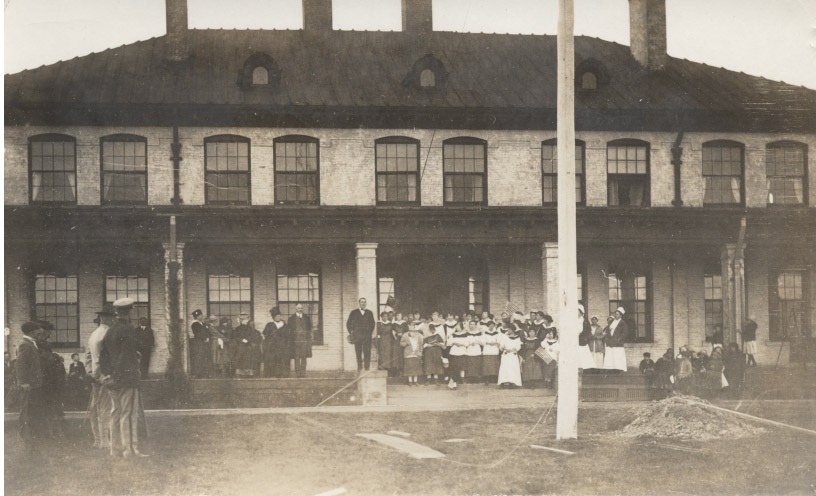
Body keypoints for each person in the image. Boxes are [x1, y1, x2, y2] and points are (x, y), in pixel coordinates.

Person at [101, 298, 148, 458]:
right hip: (126, 378)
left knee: (115, 413)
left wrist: (108, 374)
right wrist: (117, 375)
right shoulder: (128, 330)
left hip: (112, 379)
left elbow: (104, 355)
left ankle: (114, 449)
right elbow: (125, 355)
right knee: (128, 414)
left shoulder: (110, 330)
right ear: (130, 312)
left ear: (116, 313)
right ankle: (130, 450)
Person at [87, 305, 115, 450]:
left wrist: (91, 373)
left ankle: (97, 440)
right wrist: (105, 375)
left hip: (95, 377)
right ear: (109, 318)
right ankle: (105, 441)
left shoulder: (94, 334)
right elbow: (105, 358)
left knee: (94, 409)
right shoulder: (108, 334)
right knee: (105, 409)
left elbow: (89, 357)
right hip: (104, 376)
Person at [15, 321, 46, 445]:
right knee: (26, 410)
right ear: (32, 331)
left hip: (34, 384)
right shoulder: (25, 345)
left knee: (32, 410)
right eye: (38, 329)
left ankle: (31, 435)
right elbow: (20, 364)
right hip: (29, 385)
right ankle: (24, 436)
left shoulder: (31, 343)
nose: (40, 331)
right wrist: (23, 382)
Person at [346, 298, 376, 374]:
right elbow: (348, 323)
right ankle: (359, 367)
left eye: (364, 302)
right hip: (357, 336)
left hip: (367, 336)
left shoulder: (369, 312)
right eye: (362, 302)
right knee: (358, 351)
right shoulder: (354, 312)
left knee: (367, 351)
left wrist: (369, 332)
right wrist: (352, 332)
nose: (363, 303)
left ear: (366, 303)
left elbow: (373, 323)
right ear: (359, 303)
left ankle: (367, 367)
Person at [262, 307, 291, 378]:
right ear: (273, 317)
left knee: (282, 359)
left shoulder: (284, 325)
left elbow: (287, 335)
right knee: (272, 359)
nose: (278, 317)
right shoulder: (269, 325)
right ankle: (272, 373)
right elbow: (265, 335)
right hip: (272, 346)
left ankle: (282, 373)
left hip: (282, 346)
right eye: (276, 316)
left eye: (279, 316)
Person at [232, 312, 261, 378]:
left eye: (245, 320)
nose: (244, 321)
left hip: (248, 346)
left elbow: (252, 336)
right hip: (240, 346)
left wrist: (248, 340)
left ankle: (248, 373)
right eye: (242, 320)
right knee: (240, 359)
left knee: (248, 359)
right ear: (241, 321)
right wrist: (242, 340)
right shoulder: (237, 328)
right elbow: (235, 336)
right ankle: (240, 373)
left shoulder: (250, 329)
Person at [288, 304, 312, 378]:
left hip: (304, 340)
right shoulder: (291, 318)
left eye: (301, 308)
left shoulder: (307, 318)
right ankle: (298, 373)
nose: (300, 309)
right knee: (297, 357)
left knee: (304, 357)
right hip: (295, 341)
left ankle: (303, 372)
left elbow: (309, 329)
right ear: (296, 309)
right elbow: (289, 330)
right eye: (298, 308)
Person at [498, 322, 523, 388]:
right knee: (504, 368)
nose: (508, 331)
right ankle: (503, 382)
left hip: (512, 355)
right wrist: (503, 348)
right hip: (506, 355)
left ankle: (512, 382)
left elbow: (518, 347)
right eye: (507, 329)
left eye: (509, 329)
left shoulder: (517, 338)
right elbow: (501, 346)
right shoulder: (505, 337)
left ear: (512, 330)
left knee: (512, 368)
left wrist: (513, 350)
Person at [603, 307, 628, 372]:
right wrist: (607, 338)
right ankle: (610, 368)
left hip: (617, 343)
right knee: (610, 355)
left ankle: (618, 368)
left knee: (617, 355)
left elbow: (624, 333)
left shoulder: (623, 323)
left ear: (621, 315)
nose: (615, 315)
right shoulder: (612, 321)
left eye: (617, 314)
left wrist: (618, 339)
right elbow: (608, 330)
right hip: (610, 341)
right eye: (615, 314)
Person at [189, 310, 213, 378]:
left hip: (204, 343)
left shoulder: (202, 323)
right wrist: (205, 338)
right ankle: (198, 373)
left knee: (205, 357)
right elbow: (197, 333)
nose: (202, 316)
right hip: (199, 343)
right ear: (197, 317)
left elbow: (207, 331)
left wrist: (208, 337)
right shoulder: (195, 324)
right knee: (199, 357)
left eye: (201, 315)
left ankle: (205, 373)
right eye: (200, 315)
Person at [400, 321, 424, 386]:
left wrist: (420, 351)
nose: (411, 327)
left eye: (413, 325)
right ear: (408, 326)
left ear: (414, 326)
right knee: (409, 368)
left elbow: (421, 344)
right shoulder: (405, 335)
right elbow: (401, 343)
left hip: (416, 353)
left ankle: (415, 381)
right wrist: (405, 344)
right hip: (408, 353)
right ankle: (410, 381)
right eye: (410, 325)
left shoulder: (418, 335)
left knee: (416, 368)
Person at [447, 325, 468, 389]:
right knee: (454, 368)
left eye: (459, 326)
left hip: (462, 352)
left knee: (460, 367)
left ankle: (457, 381)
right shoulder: (453, 334)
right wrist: (454, 343)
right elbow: (449, 343)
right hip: (454, 352)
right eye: (456, 326)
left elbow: (467, 342)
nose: (457, 327)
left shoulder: (465, 334)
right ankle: (454, 383)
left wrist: (461, 344)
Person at [480, 320, 501, 385]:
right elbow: (482, 341)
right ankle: (487, 379)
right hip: (487, 350)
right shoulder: (484, 333)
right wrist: (488, 342)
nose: (491, 327)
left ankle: (494, 378)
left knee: (494, 365)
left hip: (494, 350)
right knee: (487, 365)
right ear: (487, 326)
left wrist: (495, 342)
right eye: (490, 326)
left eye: (492, 326)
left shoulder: (497, 333)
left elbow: (499, 341)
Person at [577, 304, 596, 371]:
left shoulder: (585, 321)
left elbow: (588, 331)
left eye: (577, 311)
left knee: (583, 354)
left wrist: (586, 338)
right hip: (576, 340)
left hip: (583, 341)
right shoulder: (574, 320)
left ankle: (585, 368)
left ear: (581, 312)